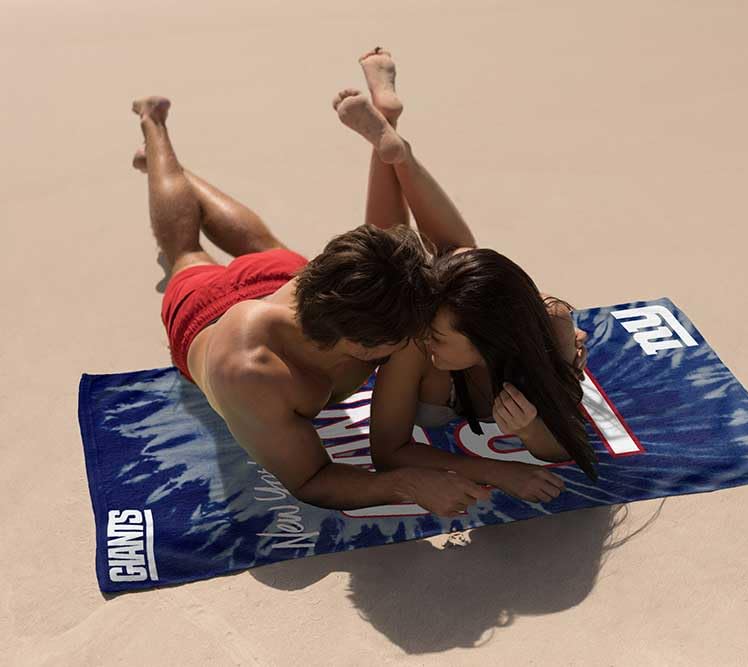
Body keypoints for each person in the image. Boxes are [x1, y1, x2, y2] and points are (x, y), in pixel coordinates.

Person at [132, 91, 490, 515]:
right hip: (205, 313)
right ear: (365, 348)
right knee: (186, 253)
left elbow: (387, 235)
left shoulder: (355, 288)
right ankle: (154, 124)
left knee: (263, 245)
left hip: (281, 280)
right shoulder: (252, 372)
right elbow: (310, 478)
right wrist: (407, 483)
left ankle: (169, 169)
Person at [332, 48, 596, 513]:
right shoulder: (417, 341)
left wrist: (530, 430)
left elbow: (565, 441)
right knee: (406, 258)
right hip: (463, 290)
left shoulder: (549, 325)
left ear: (487, 337)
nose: (427, 340)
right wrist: (498, 471)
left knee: (459, 256)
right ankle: (397, 149)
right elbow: (387, 450)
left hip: (494, 301)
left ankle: (391, 136)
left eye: (440, 337)